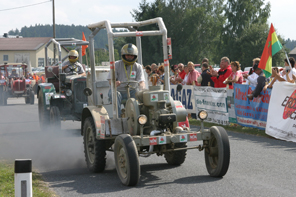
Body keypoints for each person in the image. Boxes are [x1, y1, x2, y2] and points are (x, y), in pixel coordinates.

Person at [107, 43, 145, 117]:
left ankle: (137, 116)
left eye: (131, 55)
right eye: (127, 55)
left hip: (131, 91)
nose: (129, 57)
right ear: (123, 55)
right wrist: (115, 83)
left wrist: (142, 88)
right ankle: (118, 116)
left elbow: (141, 81)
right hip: (119, 90)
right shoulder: (116, 65)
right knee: (115, 94)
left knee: (140, 94)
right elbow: (110, 81)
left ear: (135, 56)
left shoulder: (138, 67)